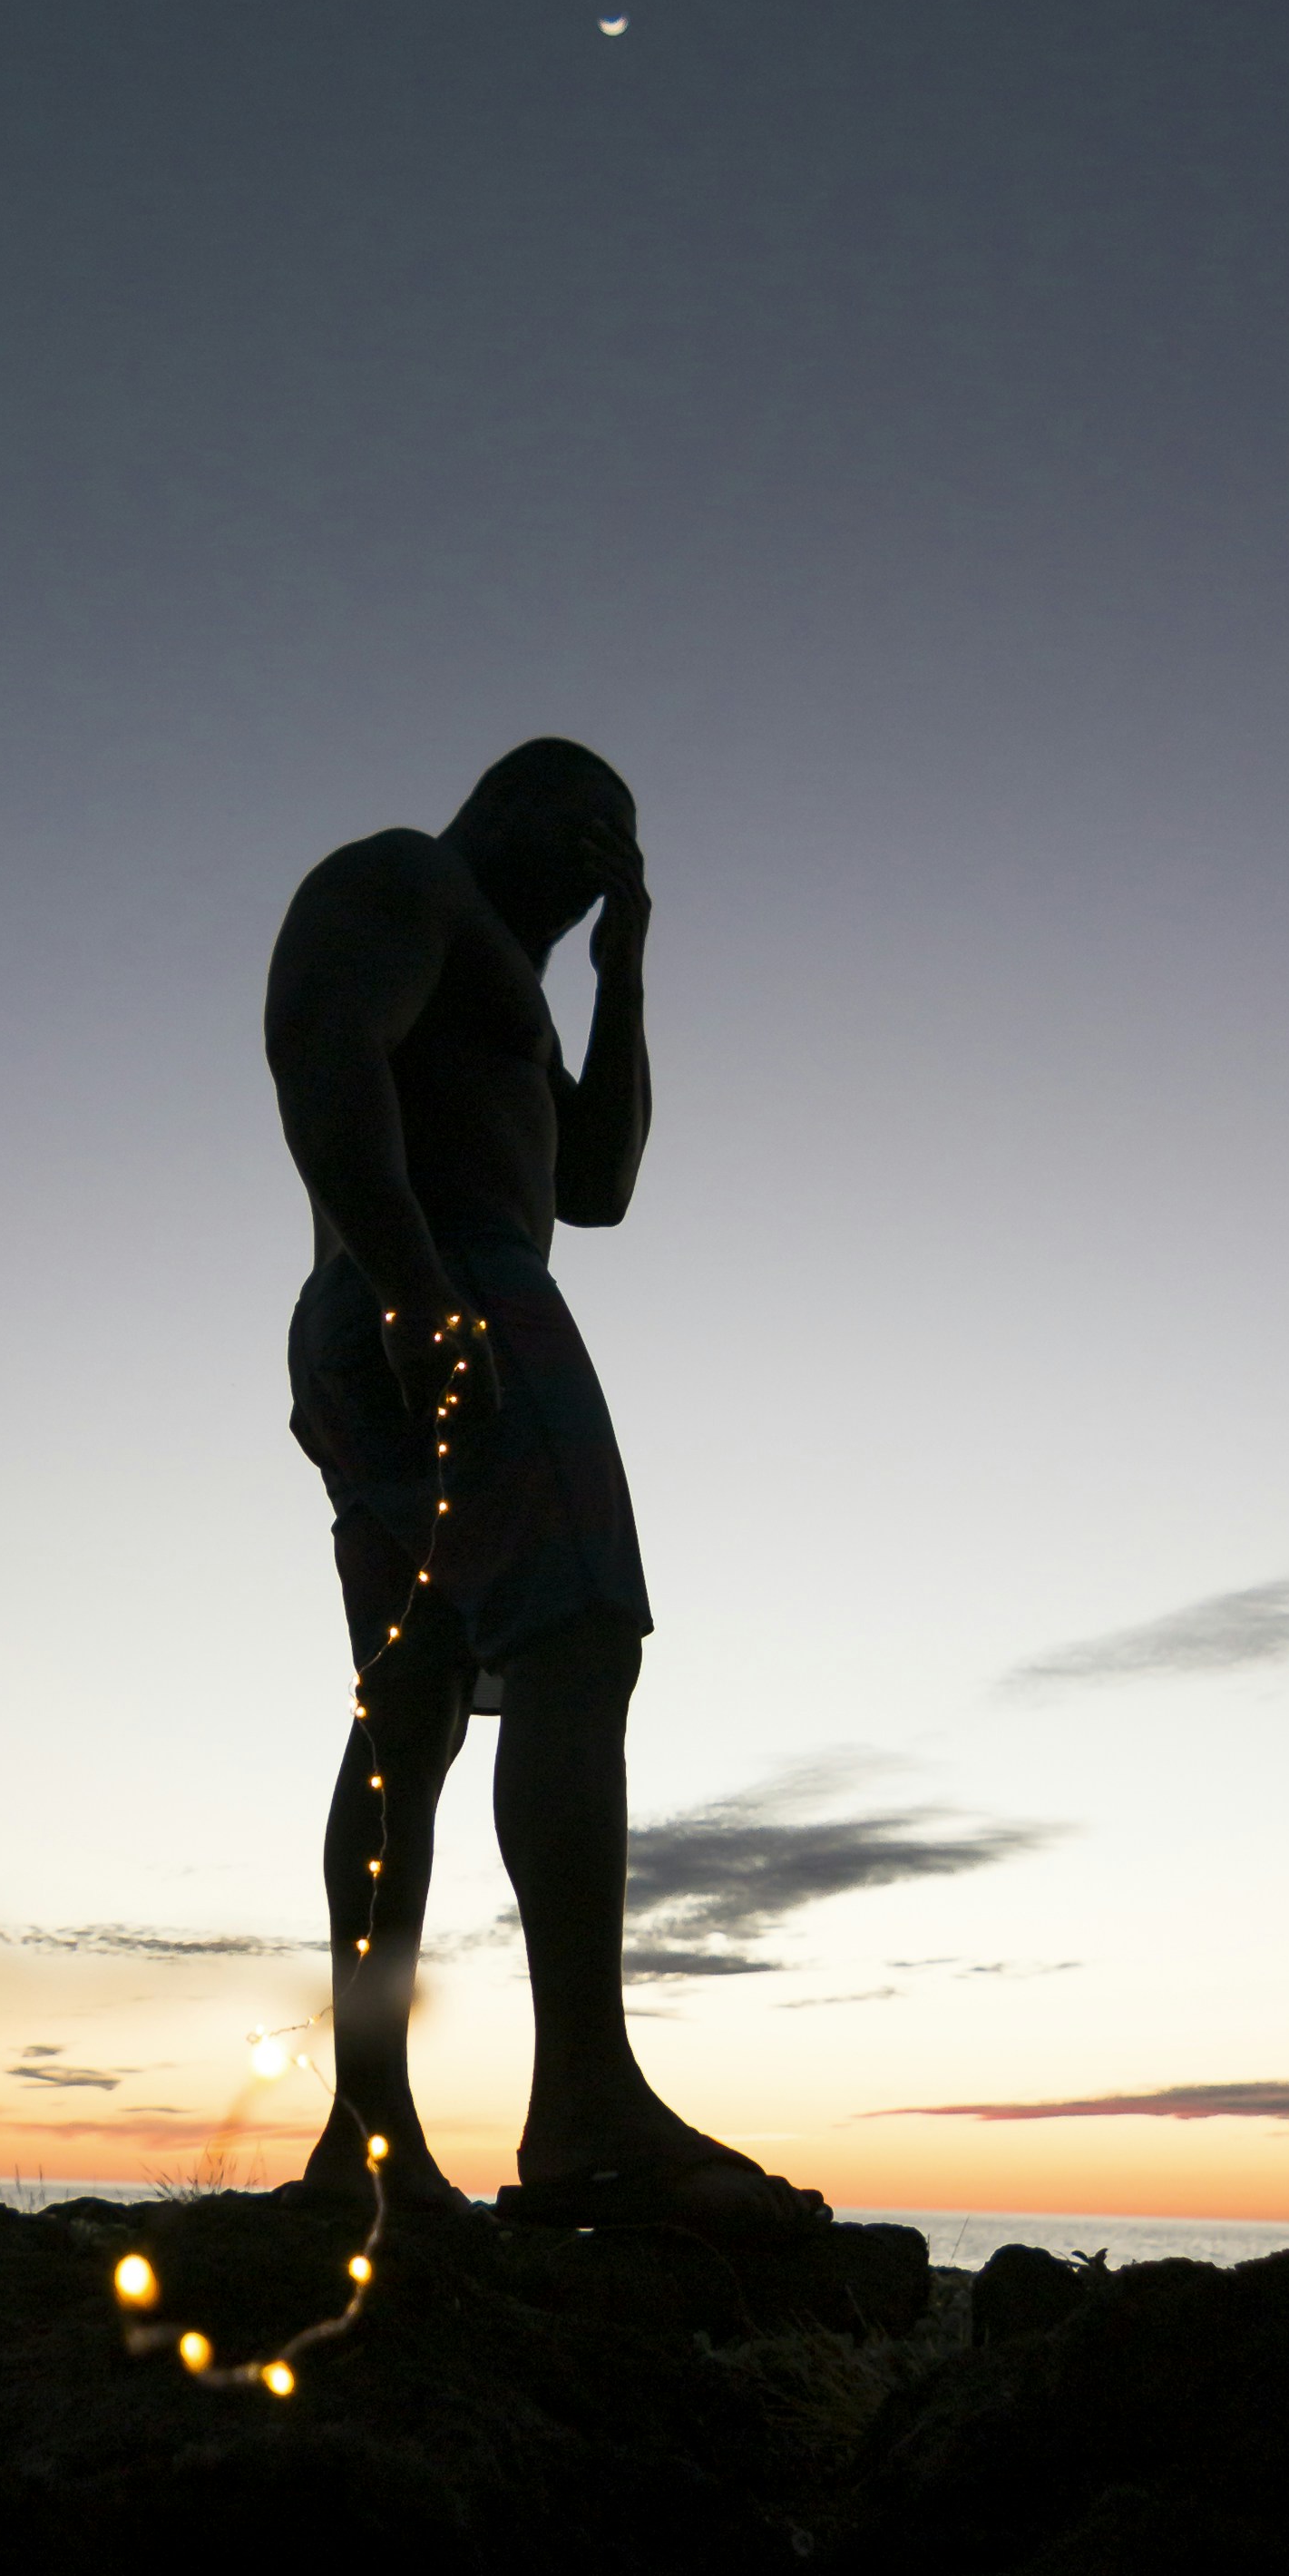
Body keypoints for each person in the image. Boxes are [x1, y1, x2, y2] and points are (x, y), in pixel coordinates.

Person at [264, 738, 826, 2240]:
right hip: (449, 1280)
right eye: (588, 821)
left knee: (407, 1716)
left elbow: (599, 1184)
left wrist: (621, 974)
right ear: (507, 803)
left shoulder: (505, 971)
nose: (605, 857)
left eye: (624, 843)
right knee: (575, 1636)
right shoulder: (406, 877)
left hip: (398, 1305)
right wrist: (416, 1286)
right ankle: (584, 2102)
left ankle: (364, 2136)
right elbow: (318, 1041)